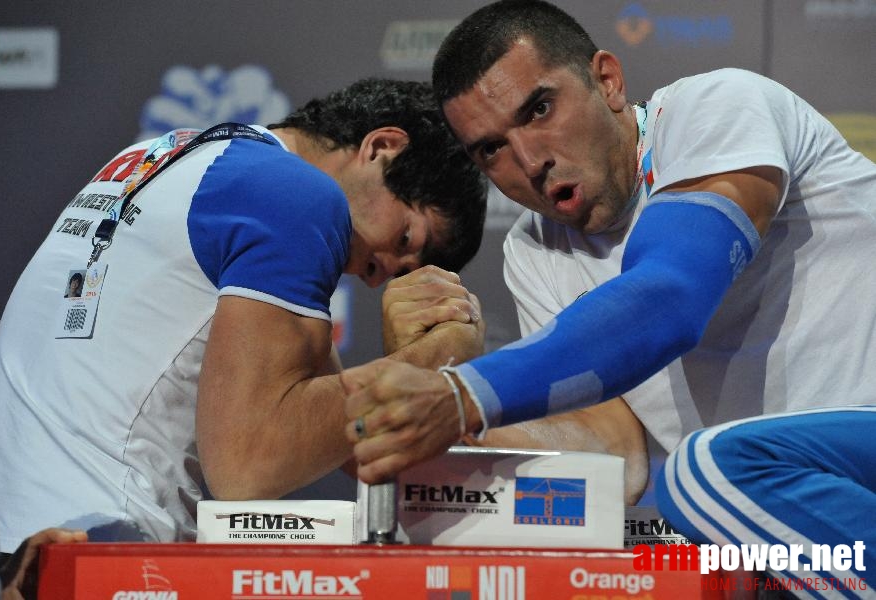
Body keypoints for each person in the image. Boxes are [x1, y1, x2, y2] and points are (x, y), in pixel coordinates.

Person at [341, 0, 876, 586]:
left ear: (608, 80)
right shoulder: (534, 251)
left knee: (703, 474)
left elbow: (670, 297)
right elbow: (616, 456)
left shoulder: (716, 107)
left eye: (539, 109)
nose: (530, 160)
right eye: (491, 149)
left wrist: (463, 394)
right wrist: (409, 418)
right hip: (785, 521)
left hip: (846, 458)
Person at [0, 78, 488, 552]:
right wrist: (440, 353)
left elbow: (354, 442)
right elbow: (248, 464)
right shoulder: (295, 196)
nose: (380, 278)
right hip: (96, 543)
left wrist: (408, 366)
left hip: (8, 549)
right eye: (405, 240)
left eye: (401, 274)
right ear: (381, 148)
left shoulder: (174, 153)